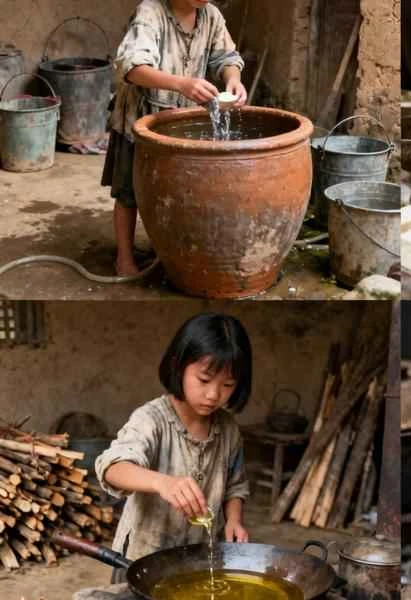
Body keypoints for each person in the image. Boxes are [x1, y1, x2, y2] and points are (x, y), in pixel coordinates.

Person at [95, 312, 251, 582]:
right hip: (142, 561)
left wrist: (234, 520)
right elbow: (111, 467)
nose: (214, 394)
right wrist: (162, 483)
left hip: (199, 560)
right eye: (204, 380)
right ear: (178, 367)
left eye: (227, 385)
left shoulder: (228, 429)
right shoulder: (152, 420)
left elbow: (235, 486)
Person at [102, 0, 247, 276]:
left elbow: (226, 58)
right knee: (128, 191)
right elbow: (131, 67)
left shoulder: (210, 16)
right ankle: (124, 259)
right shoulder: (151, 12)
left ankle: (163, 248)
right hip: (140, 120)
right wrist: (182, 83)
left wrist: (233, 78)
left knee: (171, 188)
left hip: (178, 118)